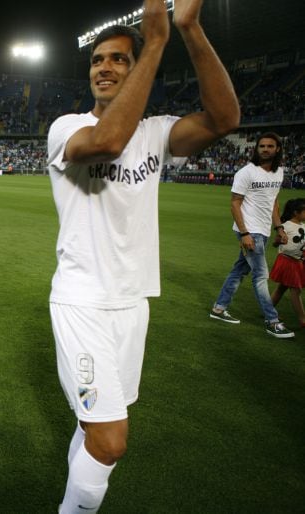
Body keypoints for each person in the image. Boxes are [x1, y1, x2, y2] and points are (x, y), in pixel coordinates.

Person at [46, 1, 240, 512]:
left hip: (133, 305)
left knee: (95, 430)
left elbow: (224, 118)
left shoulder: (156, 134)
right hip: (82, 303)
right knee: (111, 440)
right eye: (97, 60)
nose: (104, 68)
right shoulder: (66, 127)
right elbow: (107, 142)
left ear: (135, 71)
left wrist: (189, 29)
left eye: (117, 60)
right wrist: (153, 43)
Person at [209, 132, 293, 338]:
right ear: (257, 149)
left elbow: (273, 202)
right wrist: (245, 233)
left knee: (239, 271)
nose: (265, 149)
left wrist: (279, 228)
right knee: (260, 276)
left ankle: (219, 308)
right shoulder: (246, 172)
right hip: (249, 231)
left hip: (263, 230)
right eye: (262, 146)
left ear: (278, 149)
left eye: (270, 146)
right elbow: (235, 203)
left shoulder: (279, 172)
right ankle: (272, 320)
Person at [270, 197, 305, 327]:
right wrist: (278, 240)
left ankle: (267, 309)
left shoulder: (303, 226)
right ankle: (302, 319)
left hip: (297, 261)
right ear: (296, 212)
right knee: (295, 290)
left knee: (282, 287)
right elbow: (275, 243)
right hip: (287, 261)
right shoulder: (285, 226)